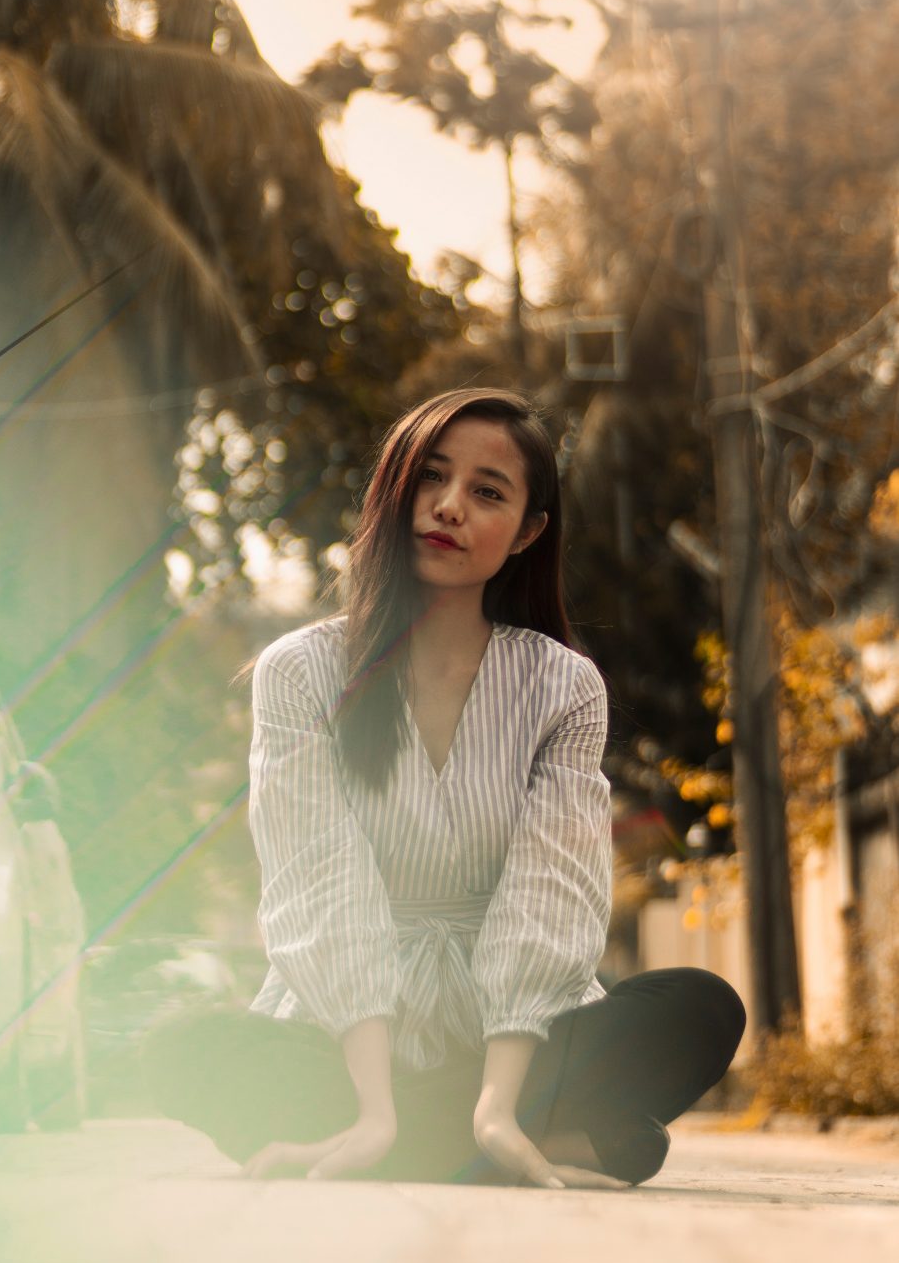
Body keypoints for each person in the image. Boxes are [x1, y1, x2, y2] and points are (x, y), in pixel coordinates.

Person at [139, 387, 746, 1189]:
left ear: (529, 531)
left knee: (703, 1004)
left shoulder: (563, 686)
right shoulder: (300, 671)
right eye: (431, 477)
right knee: (181, 1048)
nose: (450, 506)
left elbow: (548, 897)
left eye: (487, 491)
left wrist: (497, 1101)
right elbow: (321, 883)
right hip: (347, 1032)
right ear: (395, 491)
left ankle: (465, 1135)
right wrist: (373, 1106)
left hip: (514, 1035)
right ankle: (489, 1136)